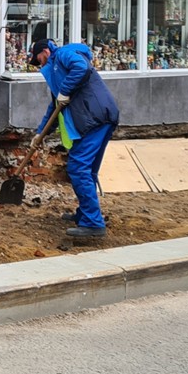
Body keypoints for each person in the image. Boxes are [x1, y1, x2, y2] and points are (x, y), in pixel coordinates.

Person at [29, 36, 120, 240]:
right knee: (88, 171)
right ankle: (86, 213)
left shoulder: (64, 54)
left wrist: (65, 90)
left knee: (78, 168)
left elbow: (82, 67)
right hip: (96, 118)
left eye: (38, 60)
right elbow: (55, 107)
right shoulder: (57, 74)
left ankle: (93, 223)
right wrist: (39, 134)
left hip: (94, 117)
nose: (39, 65)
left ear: (45, 52)